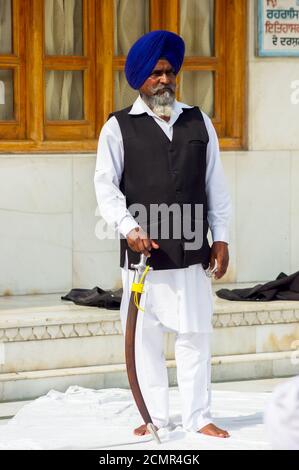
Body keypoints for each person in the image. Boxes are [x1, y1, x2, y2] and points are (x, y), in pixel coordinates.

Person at [94, 30, 231, 438]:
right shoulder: (118, 127)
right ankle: (152, 415)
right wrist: (128, 227)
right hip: (143, 256)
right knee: (145, 338)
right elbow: (105, 186)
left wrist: (220, 237)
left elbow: (216, 187)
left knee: (194, 334)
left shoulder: (198, 121)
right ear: (139, 79)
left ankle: (198, 416)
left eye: (170, 72)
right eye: (156, 73)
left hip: (191, 248)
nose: (165, 80)